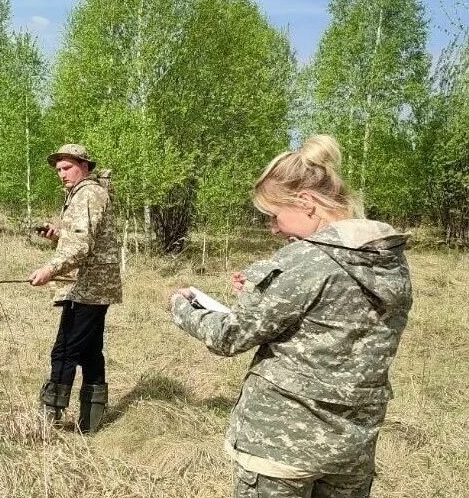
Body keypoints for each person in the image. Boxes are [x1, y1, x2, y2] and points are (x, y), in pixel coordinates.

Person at [169, 135, 412, 497]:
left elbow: (230, 336)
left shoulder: (305, 261)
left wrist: (181, 307)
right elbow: (329, 323)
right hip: (351, 448)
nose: (274, 228)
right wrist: (258, 294)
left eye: (274, 215)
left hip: (282, 445)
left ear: (306, 202)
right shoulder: (389, 259)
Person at [29, 144, 122, 433]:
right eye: (58, 169)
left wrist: (50, 269)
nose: (61, 174)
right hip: (92, 285)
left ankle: (49, 419)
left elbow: (82, 246)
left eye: (66, 167)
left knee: (65, 349)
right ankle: (91, 425)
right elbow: (83, 240)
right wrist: (58, 236)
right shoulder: (83, 193)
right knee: (90, 352)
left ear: (84, 165)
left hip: (89, 287)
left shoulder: (88, 194)